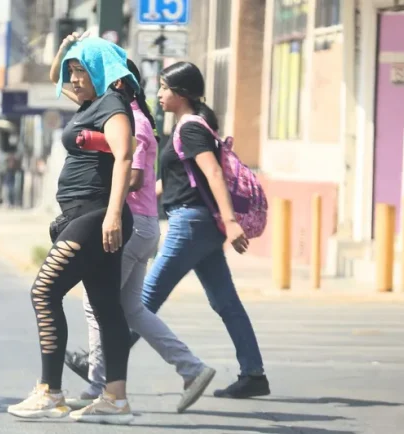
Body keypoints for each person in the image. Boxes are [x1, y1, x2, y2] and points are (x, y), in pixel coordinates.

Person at [56, 54, 216, 414]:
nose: (84, 81)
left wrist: (105, 197)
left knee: (96, 303)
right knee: (130, 307)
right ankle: (191, 368)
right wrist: (67, 53)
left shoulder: (134, 123)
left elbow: (135, 175)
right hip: (143, 223)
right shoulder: (126, 114)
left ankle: (99, 385)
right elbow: (67, 90)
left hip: (135, 224)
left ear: (115, 81)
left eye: (91, 73)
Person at [6, 36, 137, 425]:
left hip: (97, 216)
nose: (74, 78)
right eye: (73, 71)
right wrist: (64, 52)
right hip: (84, 214)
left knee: (44, 290)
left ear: (101, 71)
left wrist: (113, 215)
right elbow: (56, 79)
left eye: (82, 70)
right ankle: (115, 399)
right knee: (106, 307)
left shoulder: (112, 105)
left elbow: (125, 154)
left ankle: (50, 392)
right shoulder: (89, 105)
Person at [141, 61, 270, 399]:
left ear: (181, 94)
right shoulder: (187, 126)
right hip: (199, 223)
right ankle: (253, 374)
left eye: (165, 88)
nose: (159, 94)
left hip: (192, 224)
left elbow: (212, 174)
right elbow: (175, 183)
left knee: (142, 300)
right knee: (226, 301)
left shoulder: (191, 128)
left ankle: (101, 367)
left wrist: (231, 223)